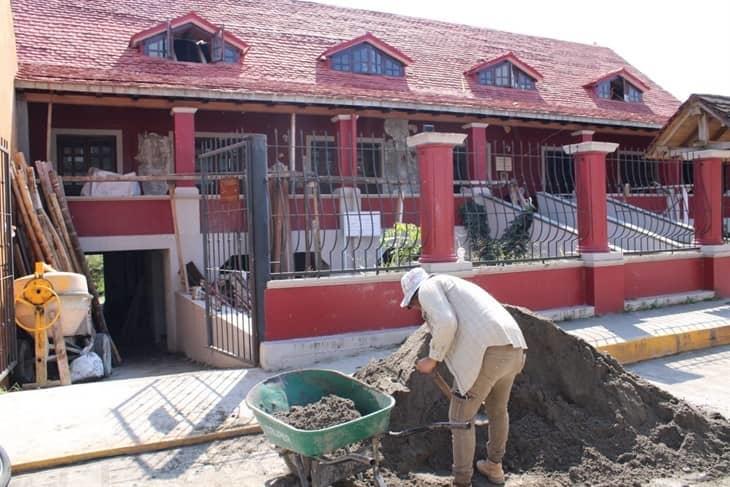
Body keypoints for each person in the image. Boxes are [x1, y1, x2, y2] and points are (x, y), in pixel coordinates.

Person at [400, 267, 527, 486]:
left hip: (489, 352)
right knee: (497, 410)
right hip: (514, 348)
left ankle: (462, 480)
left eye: (412, 304)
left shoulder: (428, 288)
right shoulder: (453, 284)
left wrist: (433, 359)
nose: (415, 308)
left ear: (414, 294)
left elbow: (447, 322)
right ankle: (494, 466)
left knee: (459, 417)